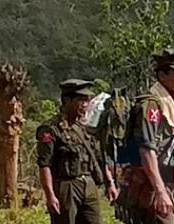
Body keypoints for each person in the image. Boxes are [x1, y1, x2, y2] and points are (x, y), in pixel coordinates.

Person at [117, 48, 174, 224]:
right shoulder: (152, 105)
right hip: (151, 188)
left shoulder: (167, 104)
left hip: (164, 184)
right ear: (162, 76)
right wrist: (160, 191)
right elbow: (147, 150)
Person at [36, 79, 118, 224]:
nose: (85, 105)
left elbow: (98, 156)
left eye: (87, 100)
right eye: (81, 100)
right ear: (67, 100)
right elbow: (44, 164)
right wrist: (50, 195)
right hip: (66, 185)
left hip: (88, 183)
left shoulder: (85, 127)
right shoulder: (51, 129)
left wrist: (109, 182)